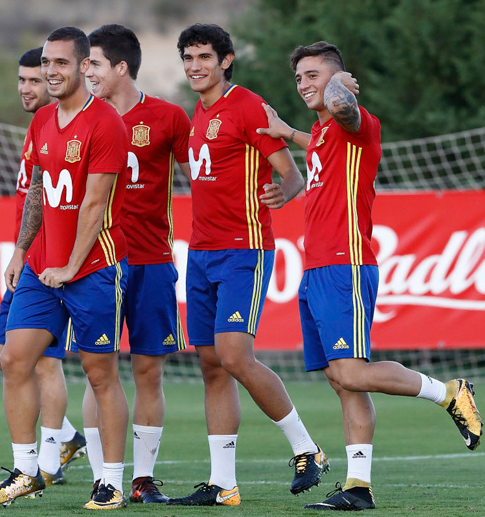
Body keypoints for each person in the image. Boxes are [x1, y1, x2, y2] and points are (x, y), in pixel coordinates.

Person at [255, 41, 483, 511]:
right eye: (299, 77)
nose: (304, 84)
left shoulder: (357, 124)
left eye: (314, 75)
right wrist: (288, 130)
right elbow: (317, 140)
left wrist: (339, 89)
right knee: (343, 382)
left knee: (353, 371)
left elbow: (345, 111)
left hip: (346, 264)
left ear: (337, 77)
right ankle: (358, 486)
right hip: (316, 269)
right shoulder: (321, 135)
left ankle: (450, 393)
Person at [166, 24, 326, 507]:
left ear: (226, 60)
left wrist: (286, 193)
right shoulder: (197, 113)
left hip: (244, 249)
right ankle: (223, 484)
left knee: (235, 355)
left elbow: (293, 174)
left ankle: (307, 448)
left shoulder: (248, 106)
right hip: (200, 252)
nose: (195, 66)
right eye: (188, 58)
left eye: (204, 57)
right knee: (212, 367)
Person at [0, 26, 130, 510]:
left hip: (94, 268)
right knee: (14, 359)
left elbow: (95, 206)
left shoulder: (106, 123)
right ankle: (26, 470)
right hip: (42, 268)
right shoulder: (42, 119)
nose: (51, 71)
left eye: (61, 63)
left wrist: (70, 266)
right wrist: (23, 249)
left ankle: (111, 480)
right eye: (47, 63)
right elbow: (39, 189)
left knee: (100, 373)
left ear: (84, 66)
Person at [83, 23, 191, 504]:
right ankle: (103, 476)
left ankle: (143, 478)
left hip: (150, 260)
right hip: (99, 262)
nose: (87, 72)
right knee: (98, 370)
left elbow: (202, 174)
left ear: (121, 67)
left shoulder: (167, 117)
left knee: (149, 371)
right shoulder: (78, 117)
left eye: (95, 63)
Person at [0, 46, 86, 485]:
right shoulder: (39, 126)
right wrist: (19, 250)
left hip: (55, 267)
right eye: (24, 78)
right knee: (3, 356)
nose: (29, 86)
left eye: (37, 77)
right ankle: (65, 439)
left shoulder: (72, 126)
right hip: (30, 261)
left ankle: (49, 459)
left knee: (42, 362)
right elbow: (34, 198)